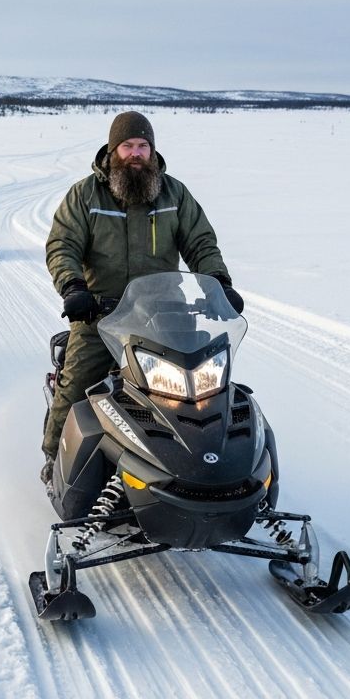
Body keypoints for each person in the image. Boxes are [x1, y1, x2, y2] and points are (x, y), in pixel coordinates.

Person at [41, 111, 243, 485]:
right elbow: (63, 244)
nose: (136, 153)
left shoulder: (173, 193)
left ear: (152, 150)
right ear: (113, 149)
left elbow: (200, 242)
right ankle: (55, 460)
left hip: (165, 315)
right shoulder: (86, 194)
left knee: (204, 389)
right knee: (76, 384)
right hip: (100, 317)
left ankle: (204, 463)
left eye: (143, 146)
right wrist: (73, 287)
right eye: (128, 146)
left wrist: (219, 283)